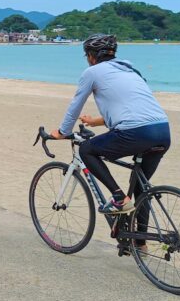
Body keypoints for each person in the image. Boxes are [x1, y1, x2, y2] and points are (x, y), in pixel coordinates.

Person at [50, 34, 170, 222]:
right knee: (141, 189)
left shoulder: (92, 72)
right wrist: (96, 121)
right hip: (162, 131)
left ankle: (118, 198)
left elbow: (76, 105)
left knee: (86, 149)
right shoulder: (132, 71)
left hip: (135, 132)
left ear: (90, 56)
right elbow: (132, 110)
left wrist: (62, 132)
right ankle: (140, 244)